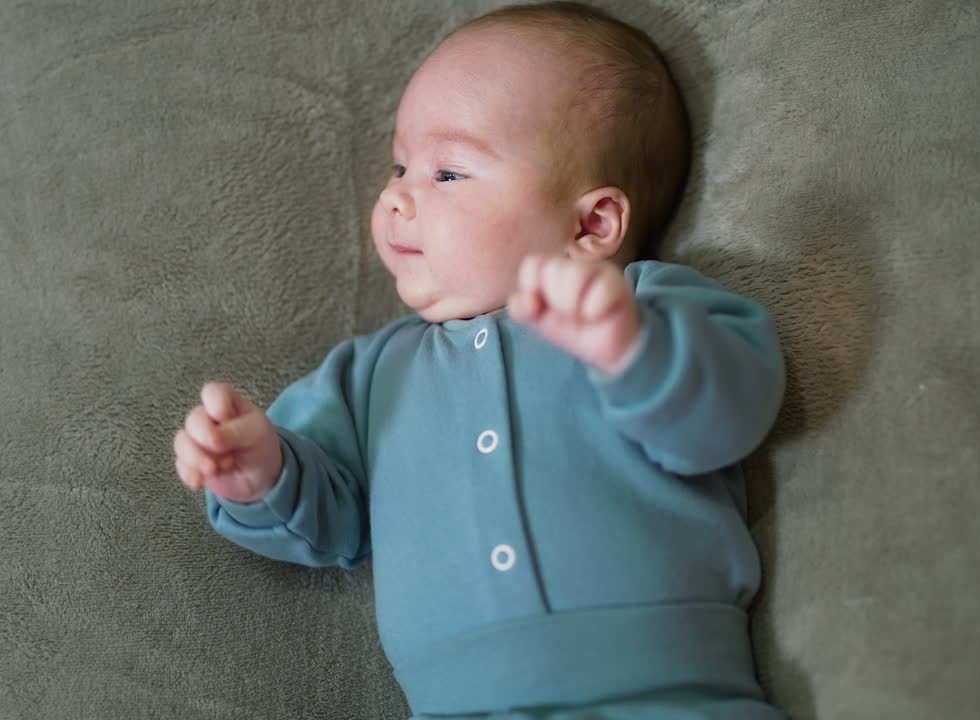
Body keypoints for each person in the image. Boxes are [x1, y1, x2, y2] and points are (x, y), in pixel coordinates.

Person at [173, 3, 785, 718]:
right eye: (401, 166)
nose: (397, 195)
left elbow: (729, 414)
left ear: (591, 225)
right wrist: (262, 475)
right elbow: (330, 519)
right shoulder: (372, 377)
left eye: (449, 173)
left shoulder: (647, 304)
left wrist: (632, 349)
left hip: (674, 691)